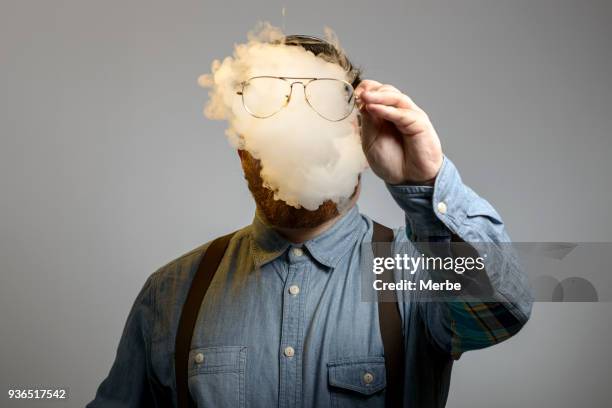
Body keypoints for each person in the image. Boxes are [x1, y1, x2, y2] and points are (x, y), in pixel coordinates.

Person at [87, 35, 533, 408]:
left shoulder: (413, 270)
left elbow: (504, 310)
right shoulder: (172, 290)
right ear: (241, 148)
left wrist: (426, 182)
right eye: (275, 131)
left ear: (361, 146)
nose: (295, 152)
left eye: (316, 131)